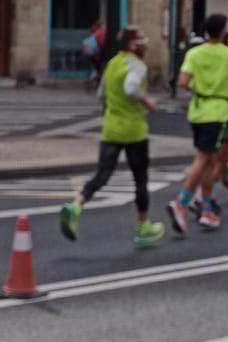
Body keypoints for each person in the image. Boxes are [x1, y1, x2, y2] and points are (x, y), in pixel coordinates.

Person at [59, 25, 165, 249]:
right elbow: (132, 88)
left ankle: (77, 206)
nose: (146, 42)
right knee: (140, 180)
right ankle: (143, 227)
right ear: (133, 44)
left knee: (103, 174)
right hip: (134, 130)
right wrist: (147, 102)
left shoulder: (112, 64)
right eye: (142, 38)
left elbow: (101, 95)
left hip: (111, 128)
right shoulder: (136, 65)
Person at [168, 12, 228, 235]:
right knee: (204, 160)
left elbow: (183, 82)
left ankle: (207, 208)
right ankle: (181, 202)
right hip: (220, 112)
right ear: (222, 32)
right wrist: (220, 91)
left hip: (198, 111)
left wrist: (200, 90)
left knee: (209, 162)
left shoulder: (194, 53)